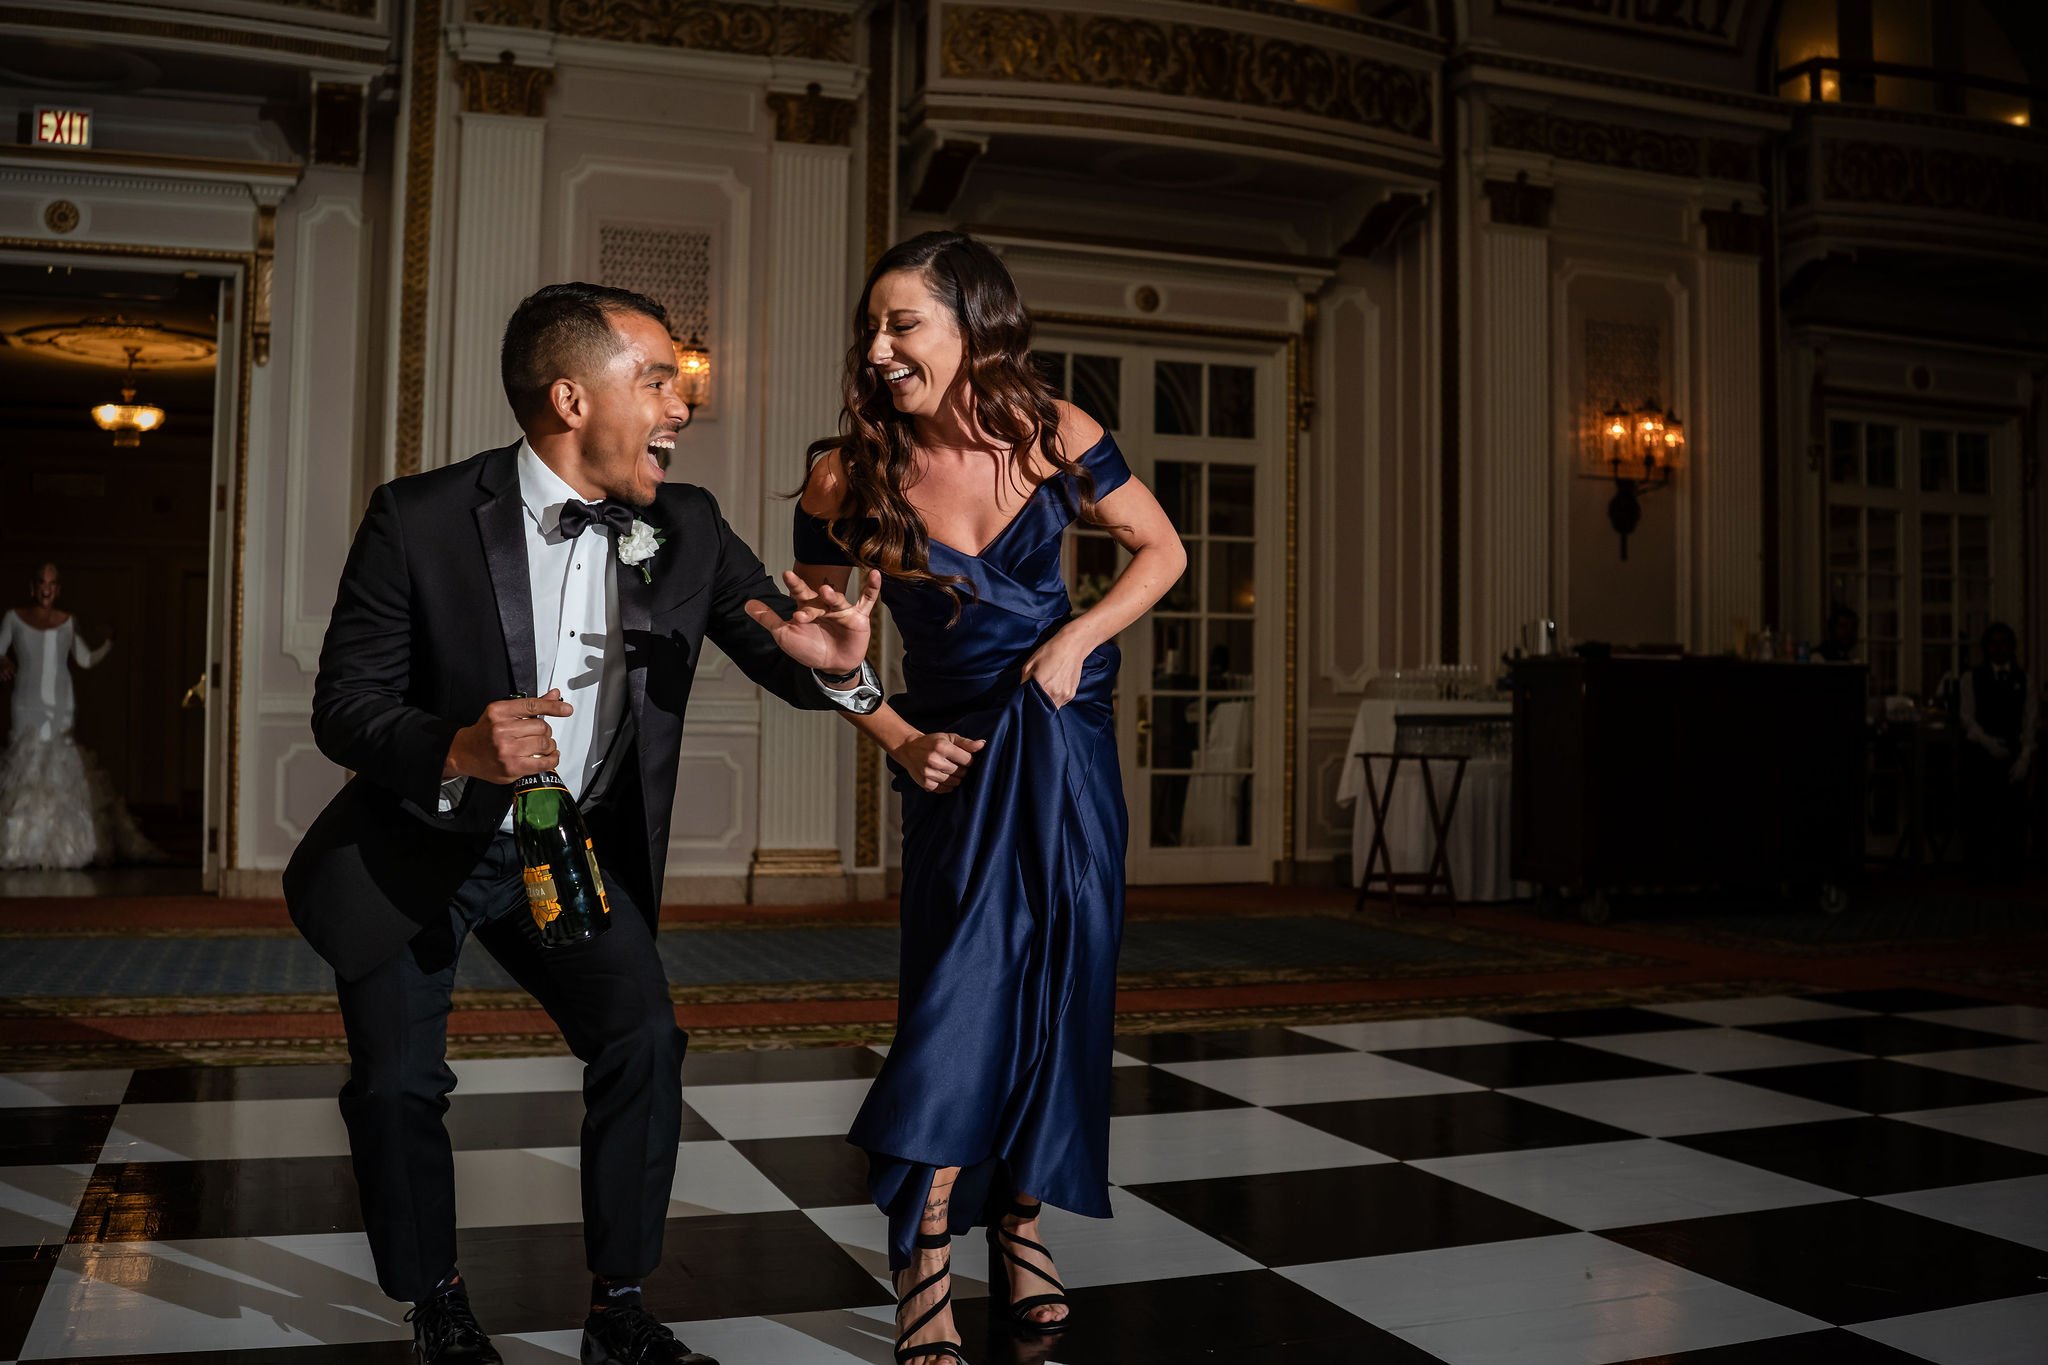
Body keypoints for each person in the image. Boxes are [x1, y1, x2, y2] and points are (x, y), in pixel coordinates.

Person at [284, 283, 880, 1365]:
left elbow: (782, 652)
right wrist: (459, 747)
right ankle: (438, 1303)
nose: (680, 403)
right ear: (570, 395)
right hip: (421, 839)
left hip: (564, 850)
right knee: (398, 1082)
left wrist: (839, 672)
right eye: (656, 378)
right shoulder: (418, 518)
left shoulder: (685, 525)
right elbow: (346, 707)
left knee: (642, 1038)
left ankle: (617, 1307)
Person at [786, 232, 1185, 1363]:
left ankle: (1018, 1223)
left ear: (973, 326)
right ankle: (921, 1252)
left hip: (1064, 746)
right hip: (953, 760)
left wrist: (1076, 635)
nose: (876, 348)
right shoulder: (841, 475)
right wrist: (894, 736)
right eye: (871, 328)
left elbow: (1161, 553)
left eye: (901, 324)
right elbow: (813, 646)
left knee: (1062, 974)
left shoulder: (1055, 434)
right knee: (961, 992)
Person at [0, 563, 161, 869]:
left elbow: (84, 660)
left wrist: (109, 643)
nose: (47, 588)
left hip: (61, 702)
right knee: (28, 766)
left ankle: (63, 847)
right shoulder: (14, 617)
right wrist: (2, 661)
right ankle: (20, 845)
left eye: (53, 583)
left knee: (59, 767)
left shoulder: (68, 621)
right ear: (32, 587)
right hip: (26, 701)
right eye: (41, 582)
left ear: (58, 589)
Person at [1958, 621, 2037, 878]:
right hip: (1982, 752)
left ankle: (2011, 870)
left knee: (2013, 815)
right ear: (1985, 647)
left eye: (2004, 643)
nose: (1999, 648)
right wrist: (1989, 744)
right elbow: (1967, 718)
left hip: (2013, 753)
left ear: (2012, 647)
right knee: (1979, 813)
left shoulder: (2024, 680)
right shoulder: (1972, 678)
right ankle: (1977, 870)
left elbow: (2029, 720)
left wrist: (2024, 757)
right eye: (1993, 643)